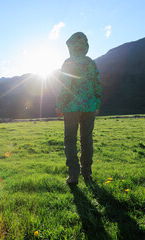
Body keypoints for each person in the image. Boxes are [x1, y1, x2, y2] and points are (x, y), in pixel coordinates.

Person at [56, 32, 102, 185]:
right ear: (85, 46)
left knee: (70, 140)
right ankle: (87, 174)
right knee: (87, 140)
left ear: (71, 46)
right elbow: (97, 86)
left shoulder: (68, 62)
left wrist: (60, 105)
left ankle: (73, 175)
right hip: (89, 107)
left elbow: (64, 86)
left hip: (71, 108)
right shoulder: (91, 63)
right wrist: (96, 104)